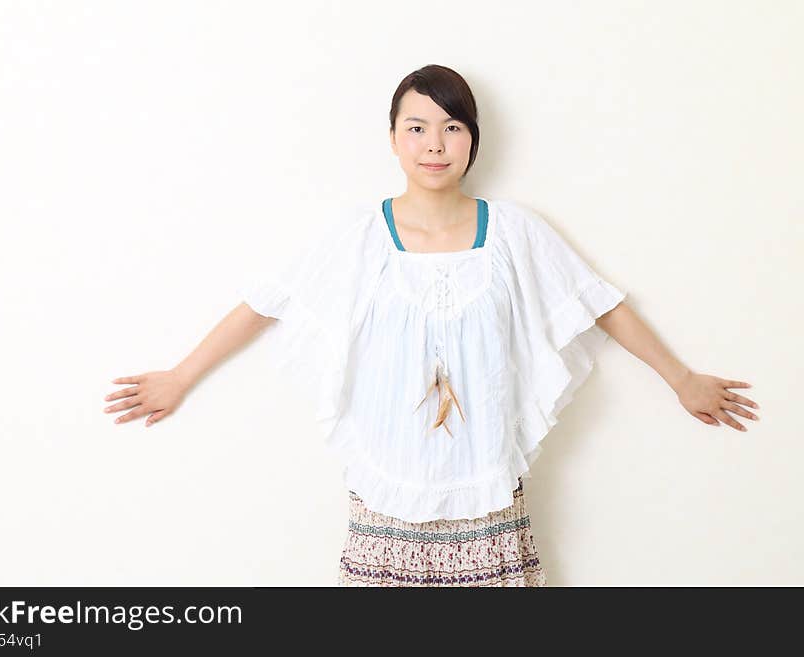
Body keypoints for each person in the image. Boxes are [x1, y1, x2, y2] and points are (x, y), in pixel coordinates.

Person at [103, 65, 760, 587]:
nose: (435, 145)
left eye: (451, 127)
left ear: (473, 137)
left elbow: (598, 304)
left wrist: (682, 379)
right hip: (387, 495)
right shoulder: (359, 236)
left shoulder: (515, 233)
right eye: (417, 128)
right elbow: (268, 301)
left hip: (487, 493)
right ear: (392, 138)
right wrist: (180, 375)